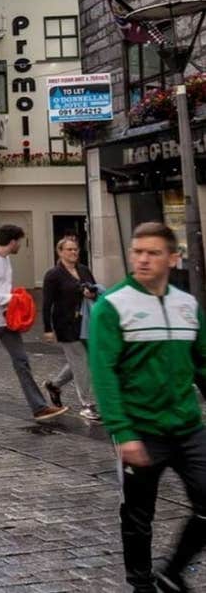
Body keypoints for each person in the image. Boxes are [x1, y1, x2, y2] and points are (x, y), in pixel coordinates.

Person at [89, 222, 206, 592]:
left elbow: (202, 364)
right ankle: (141, 585)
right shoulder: (112, 306)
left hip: (188, 427)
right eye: (137, 251)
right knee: (138, 517)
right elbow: (103, 373)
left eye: (153, 252)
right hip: (140, 431)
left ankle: (172, 574)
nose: (142, 259)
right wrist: (123, 433)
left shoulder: (187, 305)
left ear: (173, 257)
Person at [0, 224, 66, 421]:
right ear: (13, 241)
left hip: (5, 319)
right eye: (20, 242)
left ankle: (39, 407)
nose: (20, 246)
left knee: (21, 360)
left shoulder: (5, 260)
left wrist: (11, 300)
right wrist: (9, 299)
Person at [40, 237, 101, 421]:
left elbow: (95, 289)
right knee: (81, 362)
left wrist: (92, 292)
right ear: (60, 252)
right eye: (69, 249)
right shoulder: (53, 275)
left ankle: (55, 385)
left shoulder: (84, 270)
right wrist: (48, 328)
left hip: (87, 322)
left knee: (82, 360)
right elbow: (47, 303)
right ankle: (87, 404)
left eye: (75, 249)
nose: (73, 252)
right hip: (66, 324)